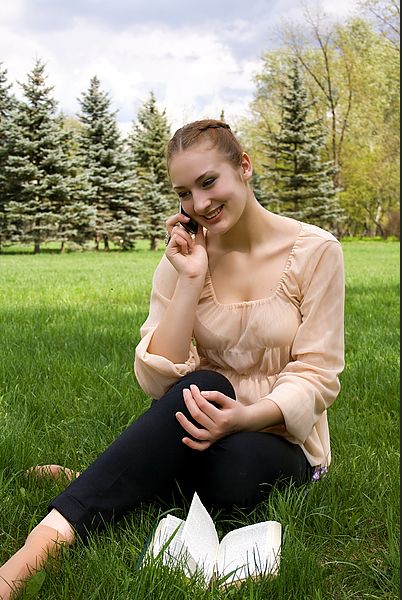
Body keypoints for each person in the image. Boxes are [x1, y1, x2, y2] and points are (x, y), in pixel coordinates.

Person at [0, 119, 344, 599]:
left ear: (244, 166)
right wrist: (188, 280)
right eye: (184, 193)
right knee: (207, 387)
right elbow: (159, 379)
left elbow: (317, 374)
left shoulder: (316, 251)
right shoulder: (184, 256)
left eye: (208, 182)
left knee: (234, 472)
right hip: (197, 422)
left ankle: (107, 477)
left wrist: (244, 417)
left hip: (280, 440)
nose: (199, 205)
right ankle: (41, 546)